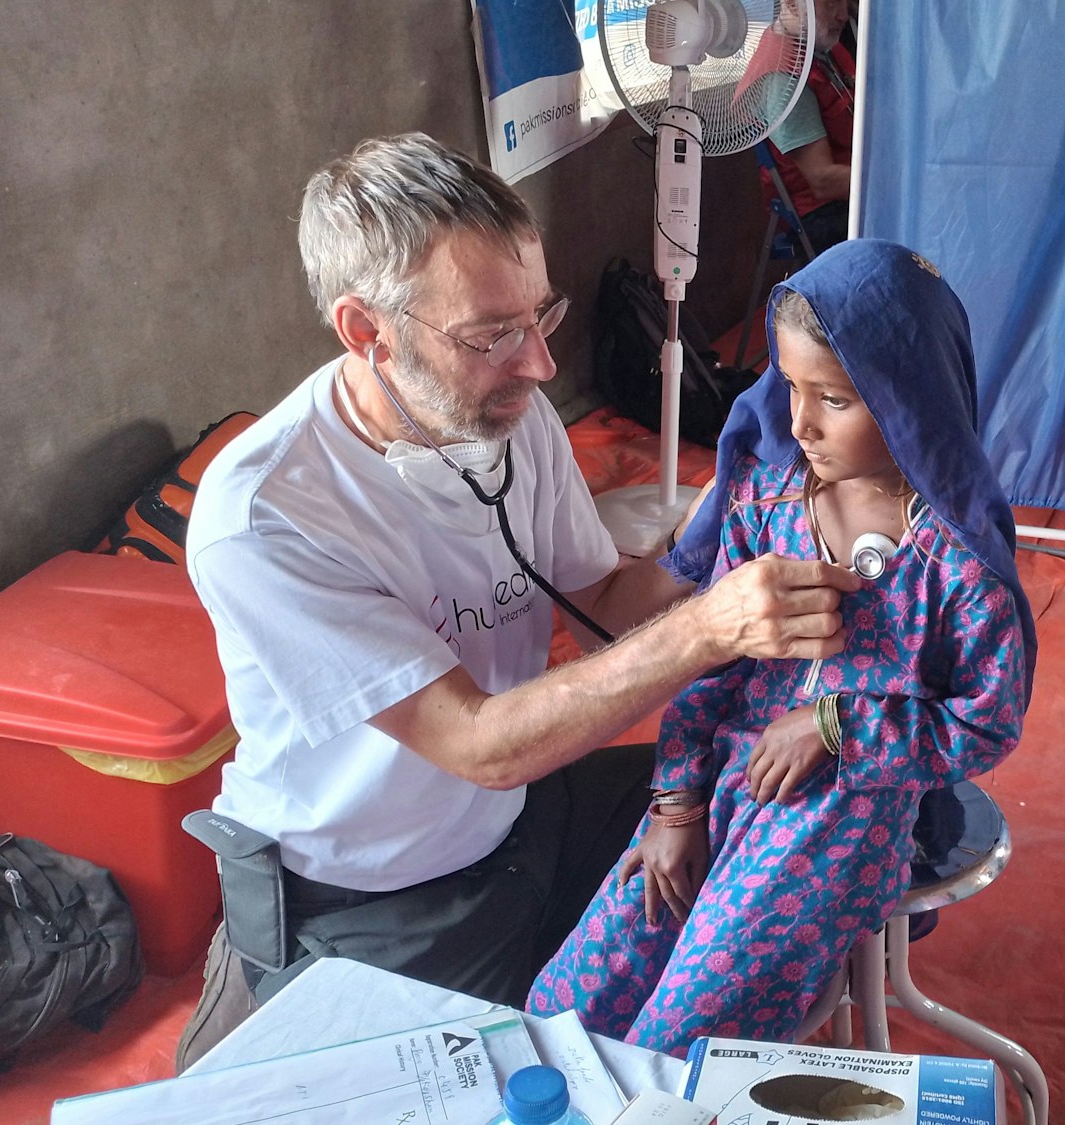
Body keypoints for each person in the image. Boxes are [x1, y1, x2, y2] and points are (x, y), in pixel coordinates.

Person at [174, 133, 863, 1069]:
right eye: (493, 334)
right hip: (376, 893)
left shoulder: (509, 415)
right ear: (367, 332)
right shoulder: (267, 515)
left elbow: (608, 603)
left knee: (800, 801)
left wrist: (728, 520)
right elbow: (477, 745)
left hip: (525, 815)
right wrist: (713, 624)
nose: (540, 366)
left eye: (541, 317)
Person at [527, 240, 1036, 1055]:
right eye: (790, 388)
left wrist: (838, 724)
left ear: (913, 399)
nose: (798, 423)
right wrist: (677, 805)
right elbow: (710, 667)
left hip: (841, 817)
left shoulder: (956, 564)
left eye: (832, 398)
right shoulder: (766, 502)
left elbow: (988, 721)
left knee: (678, 1032)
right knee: (568, 998)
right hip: (725, 783)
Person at [756, 0, 856, 255]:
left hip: (857, 180)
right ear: (791, 3)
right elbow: (823, 181)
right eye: (832, 3)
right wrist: (894, 180)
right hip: (825, 211)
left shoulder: (819, 43)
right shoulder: (783, 76)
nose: (843, 15)